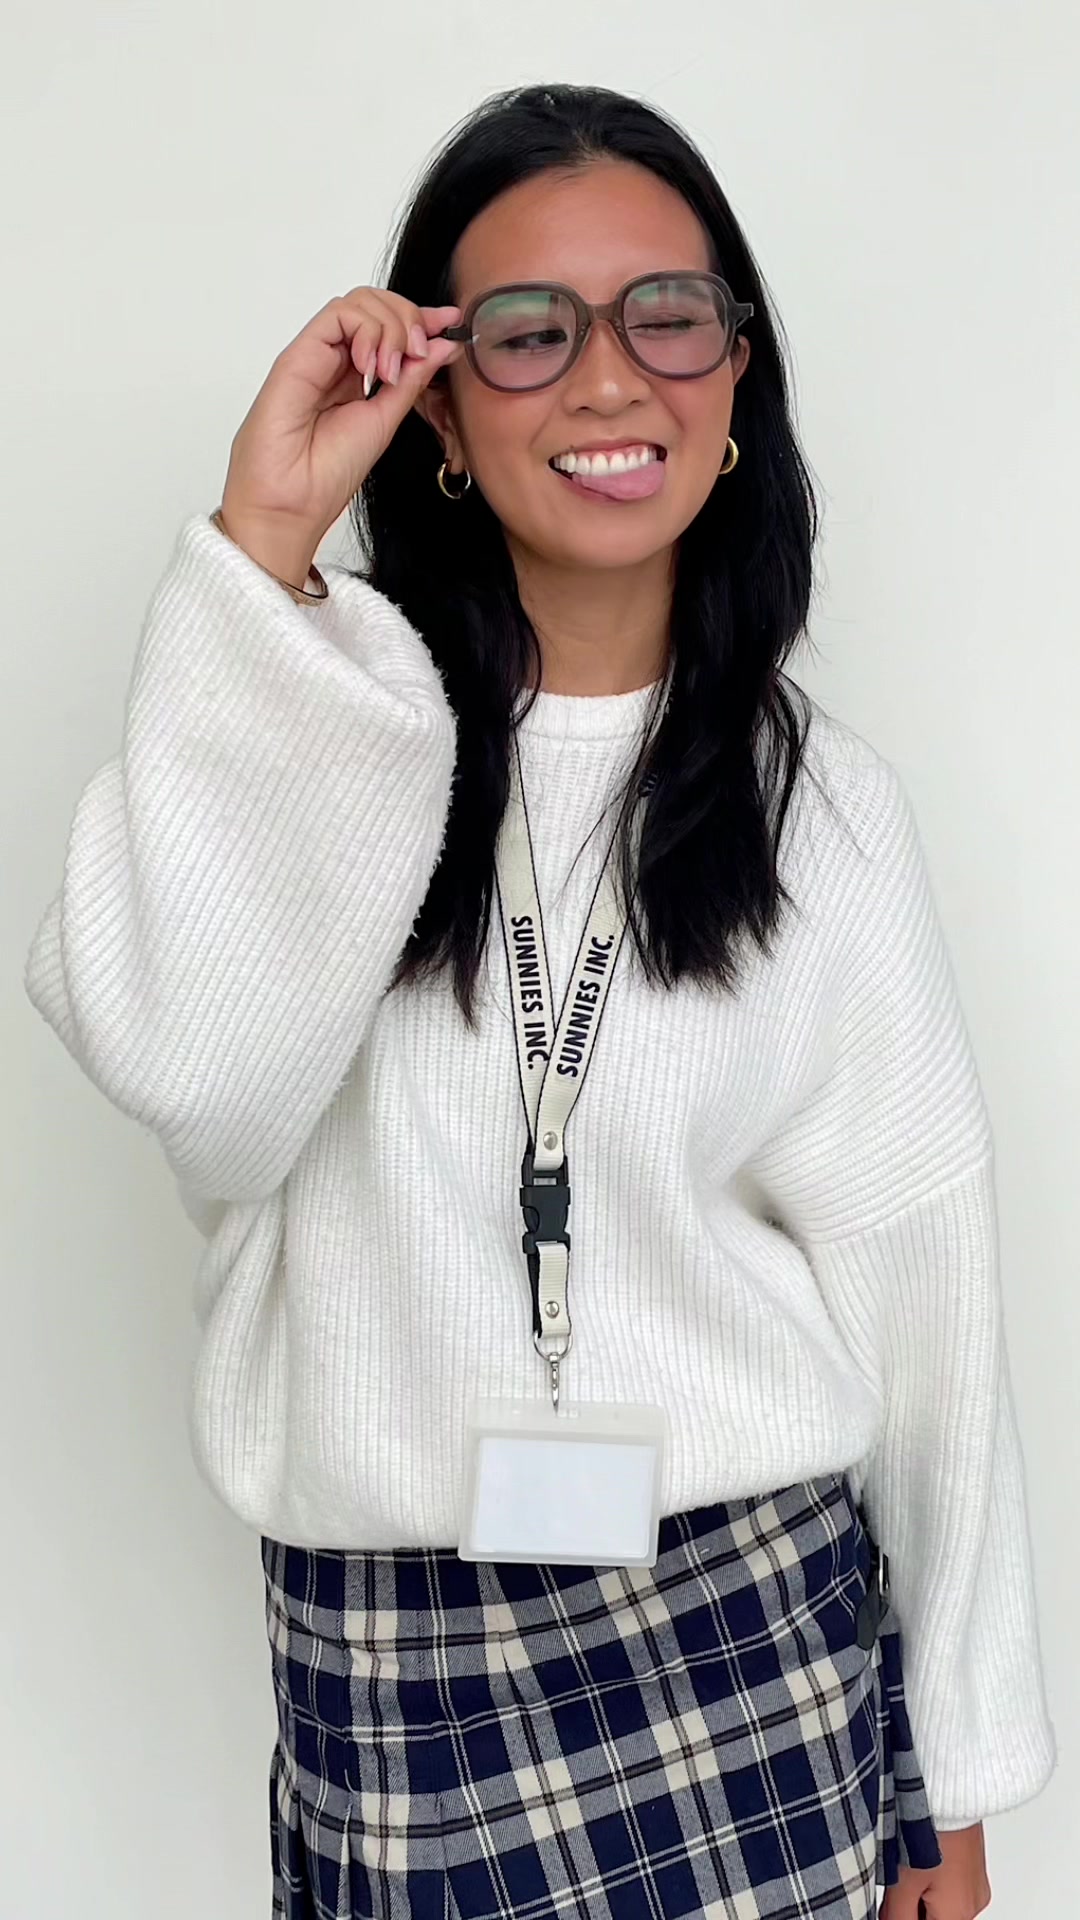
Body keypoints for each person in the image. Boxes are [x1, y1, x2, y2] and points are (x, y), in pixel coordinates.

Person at [23, 80, 1054, 1920]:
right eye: (526, 332)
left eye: (670, 315)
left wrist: (956, 1774)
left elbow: (927, 1303)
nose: (608, 379)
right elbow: (198, 1087)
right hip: (398, 1683)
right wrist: (260, 547)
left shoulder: (820, 808)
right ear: (435, 408)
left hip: (754, 1657)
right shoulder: (317, 740)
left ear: (736, 379)